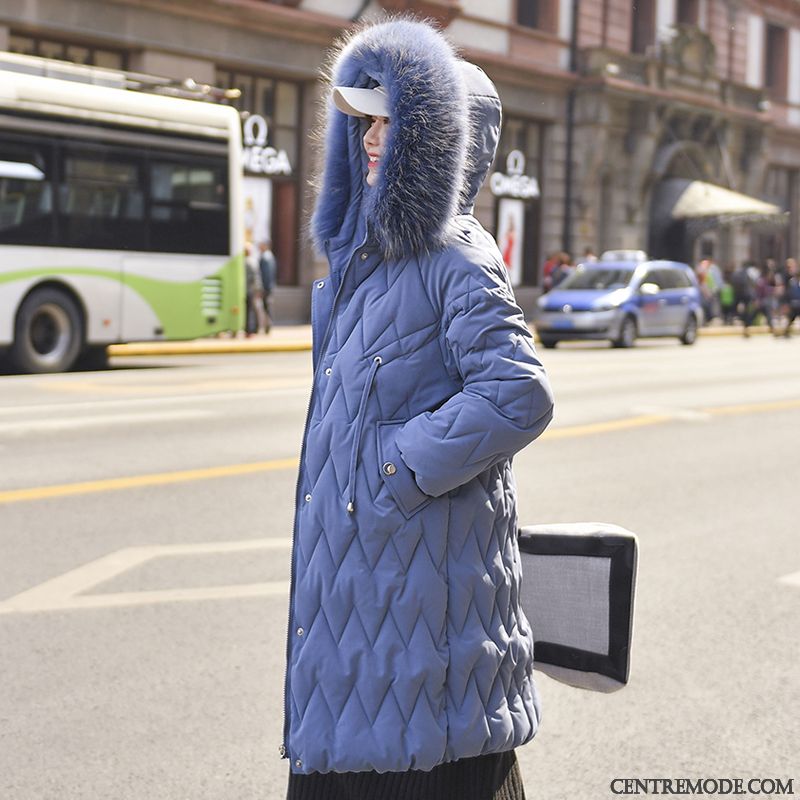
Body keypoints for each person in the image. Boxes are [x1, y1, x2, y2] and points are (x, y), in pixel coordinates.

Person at [282, 18, 554, 800]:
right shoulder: (359, 263)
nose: (372, 136)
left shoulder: (454, 253)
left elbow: (518, 392)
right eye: (365, 118)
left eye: (394, 120)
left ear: (441, 140)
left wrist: (395, 468)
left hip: (422, 618)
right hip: (363, 602)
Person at [258, 239, 278, 333]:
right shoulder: (270, 256)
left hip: (266, 287)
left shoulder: (265, 258)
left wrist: (264, 288)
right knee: (267, 306)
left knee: (266, 306)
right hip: (270, 286)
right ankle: (267, 325)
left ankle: (267, 325)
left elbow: (266, 274)